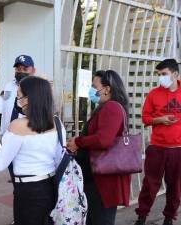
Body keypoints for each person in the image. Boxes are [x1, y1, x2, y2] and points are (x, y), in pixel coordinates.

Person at [0, 76, 64, 225]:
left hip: (28, 191)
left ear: (28, 99)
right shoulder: (57, 123)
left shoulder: (18, 126)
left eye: (19, 96)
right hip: (51, 187)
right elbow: (59, 158)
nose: (18, 101)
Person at [67, 70, 131, 225]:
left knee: (100, 219)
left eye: (94, 86)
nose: (91, 90)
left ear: (107, 89)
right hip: (98, 176)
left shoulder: (112, 108)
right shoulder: (106, 107)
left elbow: (104, 140)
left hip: (103, 180)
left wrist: (78, 141)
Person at [134, 59, 181, 225]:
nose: (161, 78)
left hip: (178, 149)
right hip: (157, 147)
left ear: (175, 74)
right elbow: (145, 118)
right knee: (150, 184)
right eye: (159, 75)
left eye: (164, 74)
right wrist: (160, 119)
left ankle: (169, 218)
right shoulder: (154, 94)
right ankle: (142, 216)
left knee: (175, 186)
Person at [0, 55, 36, 225]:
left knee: (27, 184)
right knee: (16, 183)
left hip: (27, 142)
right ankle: (19, 218)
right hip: (9, 139)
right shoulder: (8, 86)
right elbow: (2, 109)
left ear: (32, 70)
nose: (20, 72)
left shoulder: (37, 88)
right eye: (18, 68)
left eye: (24, 68)